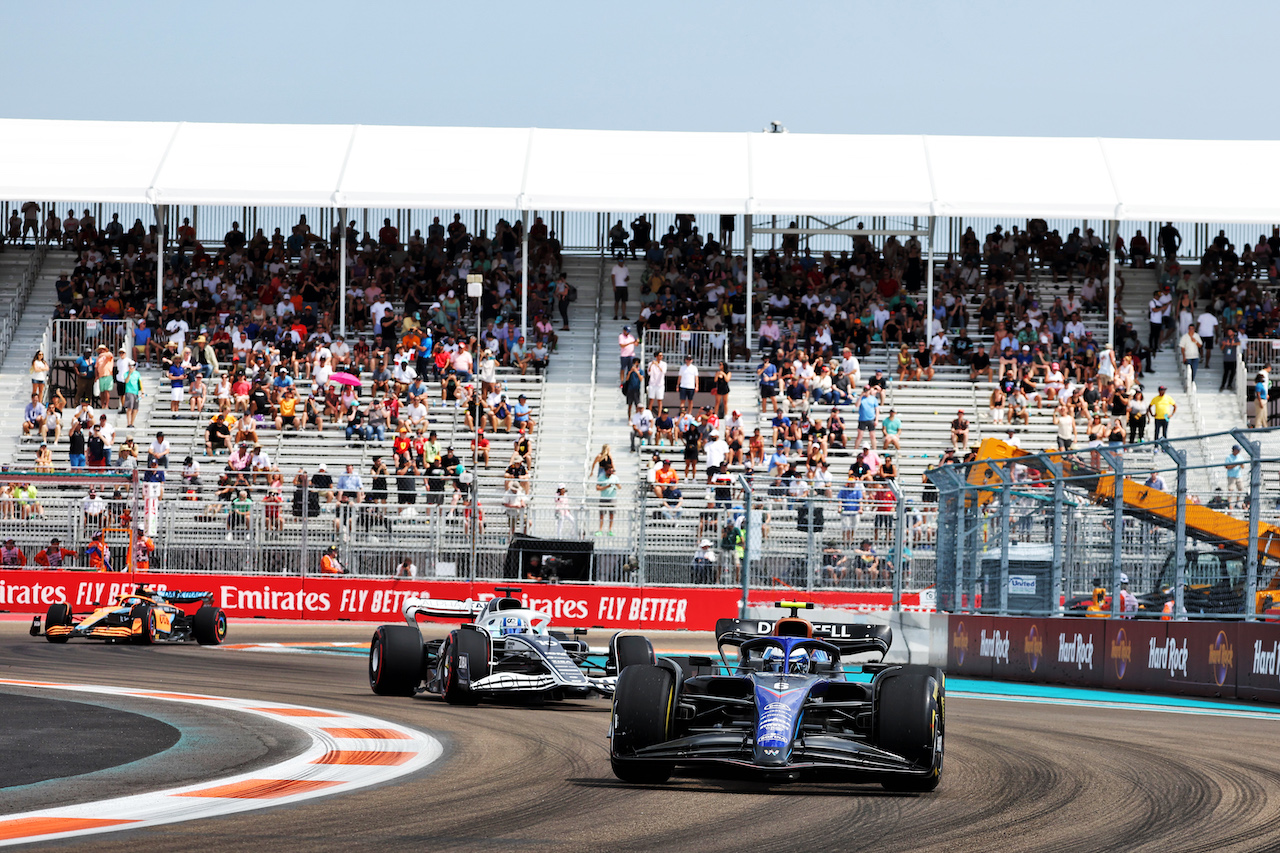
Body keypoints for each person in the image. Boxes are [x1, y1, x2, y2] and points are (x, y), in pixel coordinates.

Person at [596, 461, 619, 536]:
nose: (611, 472)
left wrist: (617, 485)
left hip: (612, 498)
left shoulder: (615, 477)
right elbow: (597, 488)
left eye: (612, 470)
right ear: (606, 471)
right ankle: (600, 530)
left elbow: (620, 487)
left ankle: (610, 530)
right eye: (609, 470)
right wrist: (606, 486)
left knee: (611, 514)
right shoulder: (601, 477)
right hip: (604, 498)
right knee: (602, 515)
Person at [1224, 444, 1246, 509]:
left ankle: (1237, 503)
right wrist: (1235, 465)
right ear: (1234, 450)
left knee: (1240, 489)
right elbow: (1227, 466)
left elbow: (1243, 466)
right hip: (1231, 476)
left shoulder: (1240, 457)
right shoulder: (1229, 457)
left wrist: (1241, 465)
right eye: (1237, 450)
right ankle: (1229, 503)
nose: (1238, 451)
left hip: (1239, 476)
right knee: (1230, 490)